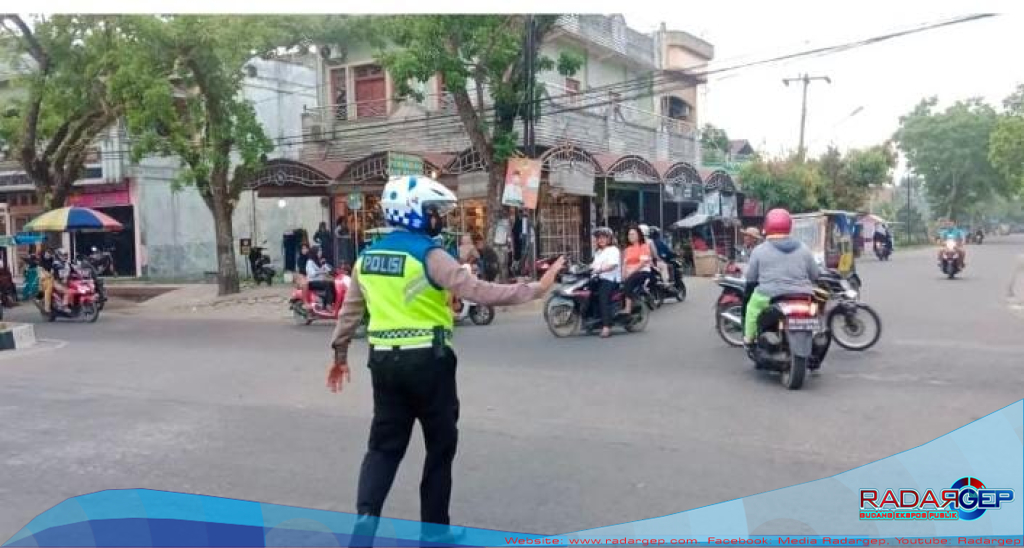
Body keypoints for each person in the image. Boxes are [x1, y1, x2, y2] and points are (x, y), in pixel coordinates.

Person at [325, 175, 565, 544]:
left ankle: (366, 520)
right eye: (433, 212)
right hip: (429, 364)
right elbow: (481, 291)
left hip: (384, 365)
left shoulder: (366, 259)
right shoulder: (431, 255)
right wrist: (538, 287)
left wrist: (340, 355)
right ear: (413, 214)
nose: (439, 219)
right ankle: (434, 533)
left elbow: (350, 313)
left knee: (383, 448)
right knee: (439, 448)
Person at [743, 208, 821, 354]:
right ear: (789, 226)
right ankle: (814, 334)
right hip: (803, 296)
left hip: (768, 296)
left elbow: (751, 278)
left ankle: (749, 339)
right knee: (815, 312)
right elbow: (815, 275)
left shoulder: (759, 250)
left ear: (767, 226)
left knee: (752, 309)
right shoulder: (804, 248)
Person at [589, 226, 621, 339]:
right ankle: (594, 319)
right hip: (598, 279)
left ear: (609, 239)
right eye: (599, 238)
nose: (601, 240)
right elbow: (593, 265)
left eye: (604, 237)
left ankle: (606, 327)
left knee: (603, 298)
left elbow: (613, 265)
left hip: (610, 279)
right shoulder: (598, 252)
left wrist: (601, 269)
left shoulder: (613, 250)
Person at [622, 225, 652, 315]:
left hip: (642, 271)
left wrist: (631, 272)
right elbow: (625, 264)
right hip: (629, 272)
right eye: (629, 235)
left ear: (639, 235)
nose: (631, 236)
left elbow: (642, 263)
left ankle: (628, 309)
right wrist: (623, 274)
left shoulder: (644, 246)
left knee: (628, 283)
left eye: (633, 234)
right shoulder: (627, 249)